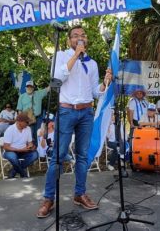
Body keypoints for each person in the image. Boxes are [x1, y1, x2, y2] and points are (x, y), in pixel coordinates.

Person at [37, 25, 112, 218]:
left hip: (86, 112)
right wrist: (75, 55)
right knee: (58, 157)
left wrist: (104, 83)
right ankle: (48, 198)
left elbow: (95, 92)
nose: (80, 38)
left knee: (82, 156)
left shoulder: (92, 63)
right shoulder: (61, 56)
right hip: (66, 111)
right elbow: (58, 78)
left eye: (83, 35)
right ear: (69, 40)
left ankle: (80, 194)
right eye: (76, 36)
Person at [2, 113, 38, 178]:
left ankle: (13, 171)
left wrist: (31, 147)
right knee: (13, 157)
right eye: (26, 122)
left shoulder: (28, 129)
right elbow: (6, 147)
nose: (28, 123)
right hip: (11, 151)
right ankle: (23, 174)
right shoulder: (10, 130)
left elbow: (30, 142)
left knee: (35, 155)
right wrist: (20, 150)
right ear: (19, 122)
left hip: (24, 151)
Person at [17, 80, 49, 145]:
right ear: (25, 88)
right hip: (27, 119)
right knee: (29, 135)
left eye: (30, 86)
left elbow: (48, 89)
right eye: (28, 87)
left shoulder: (39, 93)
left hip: (38, 118)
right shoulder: (21, 96)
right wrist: (20, 121)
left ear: (33, 87)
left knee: (39, 134)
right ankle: (31, 151)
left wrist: (54, 79)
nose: (29, 88)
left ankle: (39, 151)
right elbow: (19, 110)